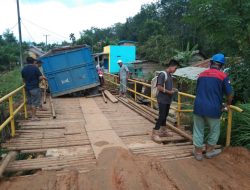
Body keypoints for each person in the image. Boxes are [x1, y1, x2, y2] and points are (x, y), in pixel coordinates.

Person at [193, 53, 233, 161]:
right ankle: (209, 151)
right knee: (214, 130)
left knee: (198, 129)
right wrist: (228, 105)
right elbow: (230, 94)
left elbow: (197, 90)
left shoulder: (201, 74)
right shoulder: (223, 76)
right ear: (222, 65)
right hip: (213, 108)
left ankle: (198, 153)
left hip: (198, 106)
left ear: (211, 63)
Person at [152, 60, 179, 142]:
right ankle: (155, 132)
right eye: (175, 68)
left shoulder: (170, 75)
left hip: (167, 100)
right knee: (162, 116)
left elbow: (166, 86)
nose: (175, 70)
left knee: (165, 115)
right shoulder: (163, 74)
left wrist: (172, 89)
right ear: (171, 66)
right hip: (162, 99)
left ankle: (163, 130)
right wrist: (169, 92)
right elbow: (159, 87)